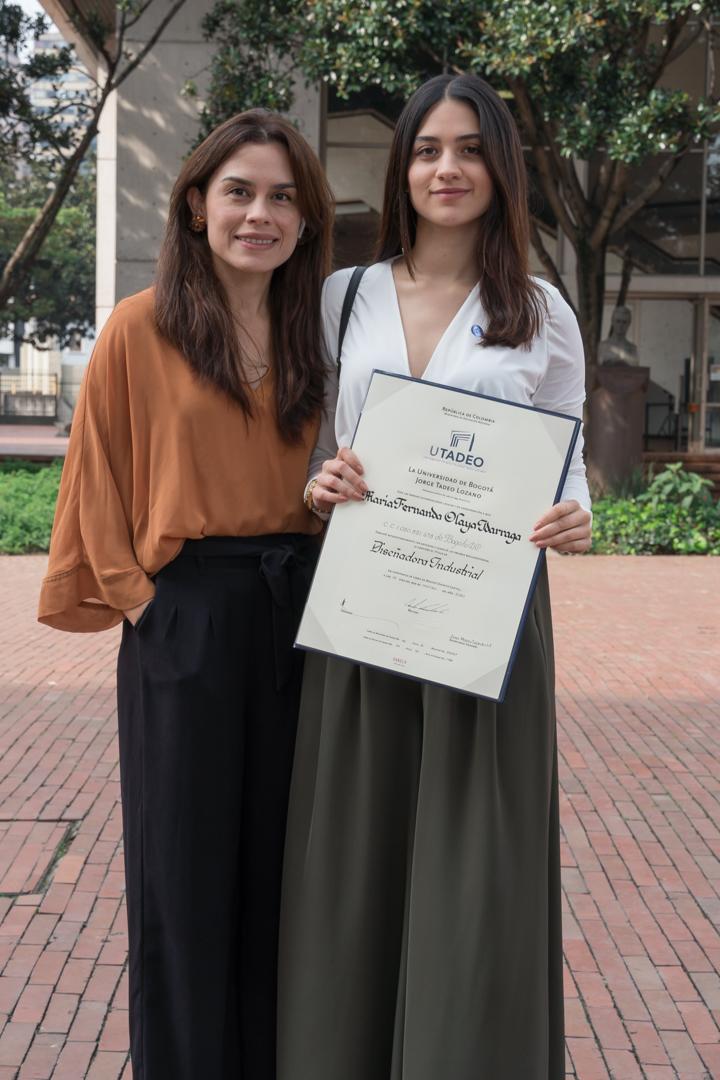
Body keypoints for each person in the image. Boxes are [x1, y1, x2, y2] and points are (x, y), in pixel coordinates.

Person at [278, 74, 592, 1080]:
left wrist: (576, 517)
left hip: (486, 618)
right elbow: (312, 446)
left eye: (469, 149)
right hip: (363, 605)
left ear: (502, 169)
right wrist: (319, 483)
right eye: (426, 150)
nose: (447, 169)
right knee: (354, 853)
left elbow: (568, 464)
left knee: (474, 866)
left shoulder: (541, 311)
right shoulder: (343, 295)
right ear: (402, 168)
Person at [38, 110, 333, 1080]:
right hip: (186, 613)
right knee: (182, 870)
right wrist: (143, 604)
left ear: (306, 217)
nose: (260, 215)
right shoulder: (140, 326)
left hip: (302, 612)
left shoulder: (320, 332)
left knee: (286, 871)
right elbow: (95, 478)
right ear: (197, 204)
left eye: (283, 197)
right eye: (239, 192)